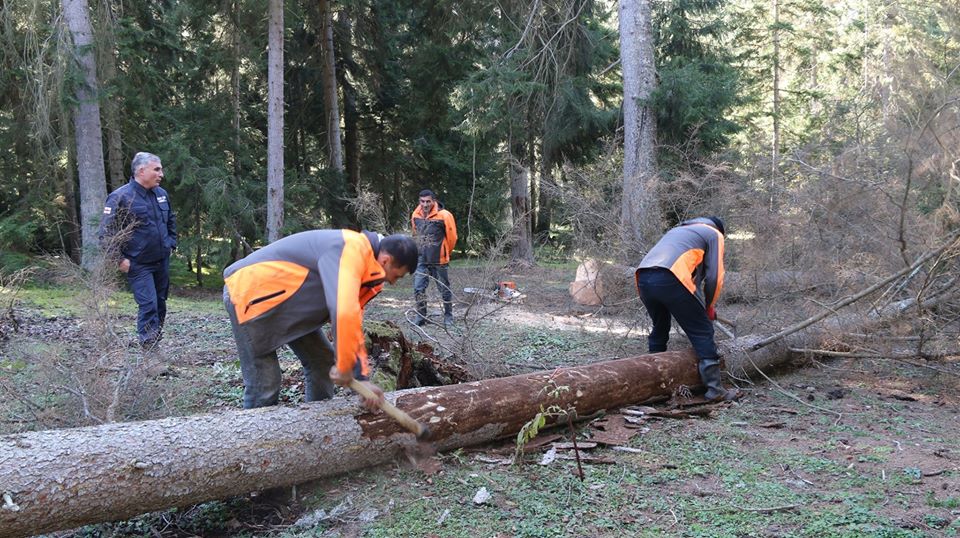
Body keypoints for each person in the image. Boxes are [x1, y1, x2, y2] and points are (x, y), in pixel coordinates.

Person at [222, 230, 418, 410]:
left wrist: (360, 376)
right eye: (396, 276)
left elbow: (352, 322)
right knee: (264, 385)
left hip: (290, 305)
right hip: (250, 293)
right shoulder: (351, 250)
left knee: (322, 362)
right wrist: (344, 366)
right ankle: (252, 445)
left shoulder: (369, 272)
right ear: (386, 260)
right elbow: (343, 310)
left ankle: (317, 427)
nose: (393, 282)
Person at [635, 216, 739, 401]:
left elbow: (693, 281)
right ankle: (715, 390)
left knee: (660, 327)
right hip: (671, 277)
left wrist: (702, 305)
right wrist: (709, 306)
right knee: (702, 331)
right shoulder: (714, 234)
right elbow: (715, 276)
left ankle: (655, 381)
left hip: (643, 278)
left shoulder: (678, 232)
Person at [99, 152, 177, 348]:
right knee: (148, 304)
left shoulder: (161, 194)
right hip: (138, 264)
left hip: (161, 261)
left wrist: (171, 244)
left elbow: (170, 222)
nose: (161, 174)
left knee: (160, 304)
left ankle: (154, 343)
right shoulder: (120, 197)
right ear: (141, 171)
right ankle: (149, 350)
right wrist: (119, 260)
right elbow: (107, 233)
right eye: (157, 169)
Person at [410, 189, 458, 327]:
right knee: (418, 288)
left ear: (434, 201)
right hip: (421, 259)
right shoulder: (415, 214)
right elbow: (415, 234)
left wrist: (444, 252)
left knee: (444, 288)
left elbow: (452, 238)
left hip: (439, 260)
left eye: (428, 202)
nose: (425, 205)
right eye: (422, 201)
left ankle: (448, 315)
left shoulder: (444, 215)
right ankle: (421, 316)